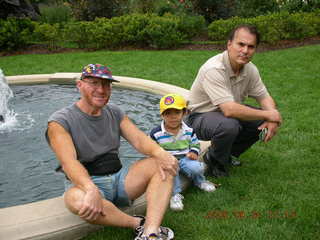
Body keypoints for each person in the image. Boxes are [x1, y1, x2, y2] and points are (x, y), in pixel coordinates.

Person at [46, 64, 178, 240]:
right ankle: (137, 224)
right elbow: (68, 162)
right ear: (80, 85)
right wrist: (90, 188)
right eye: (94, 83)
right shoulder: (60, 121)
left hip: (120, 179)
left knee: (162, 165)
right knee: (75, 200)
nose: (101, 90)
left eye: (106, 85)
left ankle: (150, 233)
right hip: (86, 182)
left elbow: (138, 139)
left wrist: (161, 153)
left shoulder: (114, 112)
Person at [186, 24, 282, 178]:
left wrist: (271, 116)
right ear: (229, 44)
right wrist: (269, 115)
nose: (245, 51)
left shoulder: (250, 69)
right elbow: (229, 110)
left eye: (251, 46)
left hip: (224, 114)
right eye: (241, 44)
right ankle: (215, 163)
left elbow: (264, 96)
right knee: (229, 125)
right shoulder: (214, 69)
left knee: (258, 125)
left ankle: (224, 155)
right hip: (198, 117)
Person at [150, 93, 216, 212]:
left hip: (185, 158)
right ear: (162, 115)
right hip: (168, 160)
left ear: (184, 113)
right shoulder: (156, 133)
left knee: (197, 168)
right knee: (171, 173)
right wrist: (158, 159)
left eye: (177, 112)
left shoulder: (189, 131)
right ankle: (175, 195)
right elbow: (151, 148)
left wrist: (194, 152)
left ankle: (200, 181)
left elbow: (195, 143)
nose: (173, 117)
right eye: (168, 113)